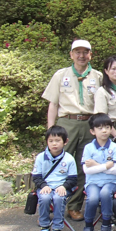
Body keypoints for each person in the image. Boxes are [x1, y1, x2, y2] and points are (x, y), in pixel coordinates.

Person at [42, 39, 103, 221]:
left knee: (83, 166)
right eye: (78, 52)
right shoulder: (61, 75)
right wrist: (51, 129)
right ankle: (51, 205)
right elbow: (53, 103)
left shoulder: (98, 76)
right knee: (58, 164)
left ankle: (74, 206)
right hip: (66, 122)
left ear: (91, 55)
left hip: (88, 123)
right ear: (71, 54)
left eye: (85, 52)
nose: (82, 56)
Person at [80, 113, 116, 231]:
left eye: (107, 127)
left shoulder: (115, 147)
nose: (104, 131)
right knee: (92, 198)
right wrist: (106, 166)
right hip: (92, 182)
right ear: (92, 131)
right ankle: (88, 227)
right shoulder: (88, 148)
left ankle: (106, 225)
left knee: (105, 194)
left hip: (111, 182)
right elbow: (86, 170)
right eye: (100, 128)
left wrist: (96, 165)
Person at [32, 126, 77, 231]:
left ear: (65, 141)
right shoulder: (41, 157)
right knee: (45, 198)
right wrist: (43, 185)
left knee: (58, 198)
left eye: (58, 141)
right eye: (51, 141)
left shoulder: (69, 158)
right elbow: (36, 177)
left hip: (62, 187)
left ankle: (57, 229)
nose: (54, 144)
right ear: (47, 142)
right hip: (45, 186)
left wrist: (64, 186)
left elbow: (73, 179)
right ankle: (45, 227)